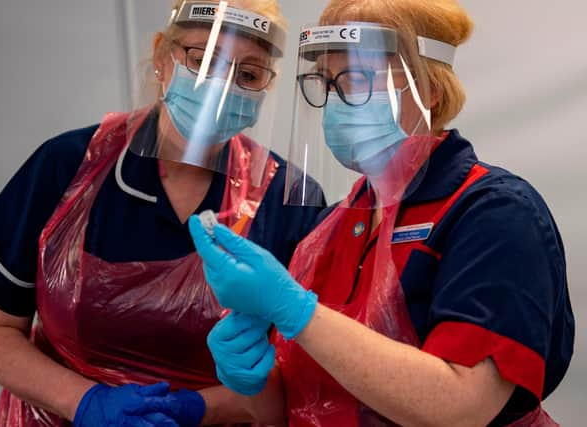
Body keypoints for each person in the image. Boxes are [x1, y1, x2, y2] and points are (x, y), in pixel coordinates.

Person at [190, 0, 575, 426]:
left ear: (431, 87)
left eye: (356, 77)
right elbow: (309, 404)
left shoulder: (494, 213)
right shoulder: (330, 227)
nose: (337, 101)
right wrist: (254, 379)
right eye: (327, 82)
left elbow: (461, 409)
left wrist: (296, 311)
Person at [0, 1, 324, 426]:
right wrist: (86, 402)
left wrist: (195, 410)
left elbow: (296, 376)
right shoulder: (70, 168)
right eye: (203, 61)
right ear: (163, 59)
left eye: (249, 74)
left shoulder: (289, 197)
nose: (222, 86)